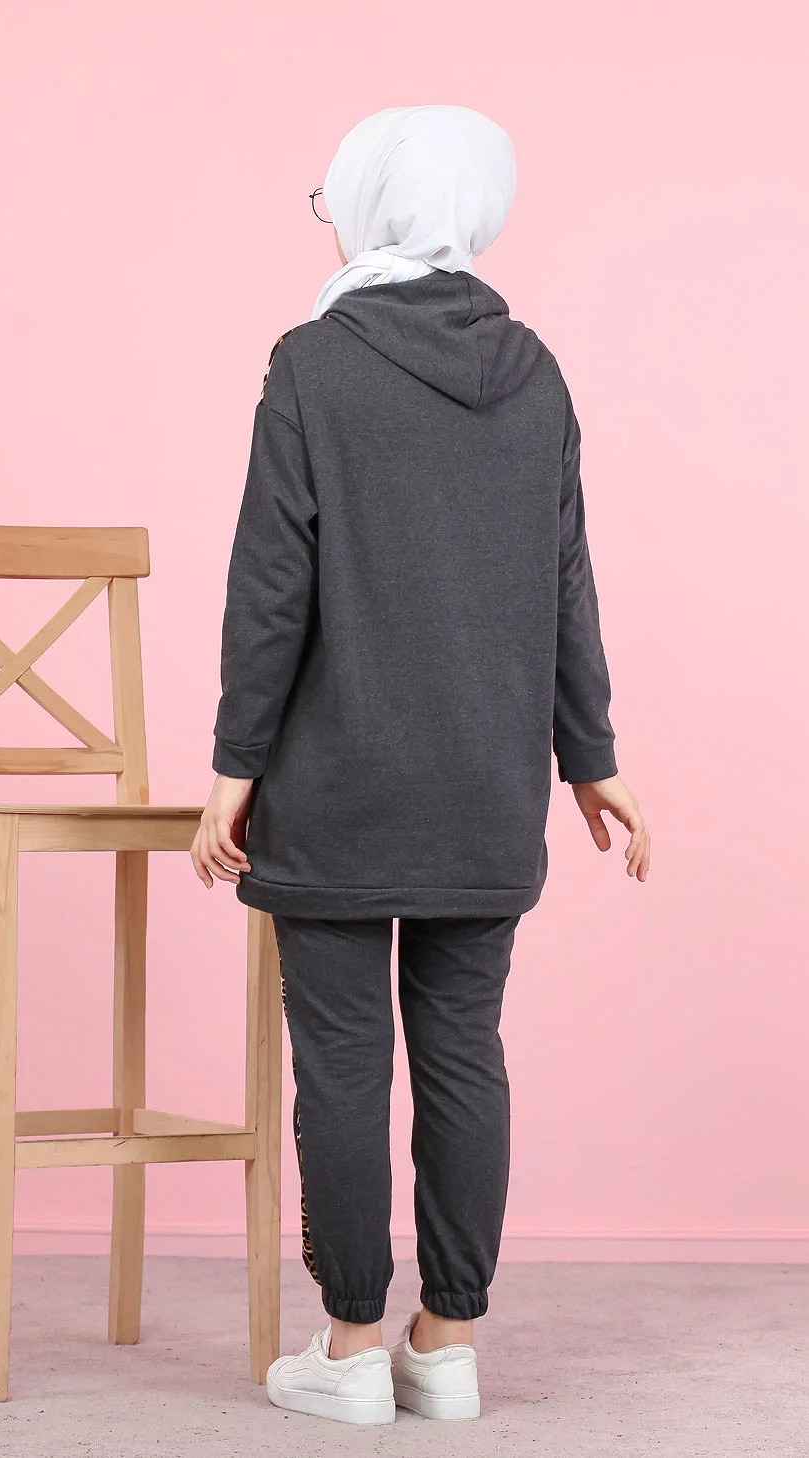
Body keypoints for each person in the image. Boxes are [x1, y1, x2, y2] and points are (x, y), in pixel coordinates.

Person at [190, 104, 650, 1426]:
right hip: (487, 788)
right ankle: (444, 1345)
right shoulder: (537, 374)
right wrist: (590, 756)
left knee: (341, 1061)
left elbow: (269, 588)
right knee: (463, 1050)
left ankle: (347, 1351)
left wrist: (235, 765)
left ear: (367, 205)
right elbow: (567, 581)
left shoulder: (311, 366)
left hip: (337, 788)